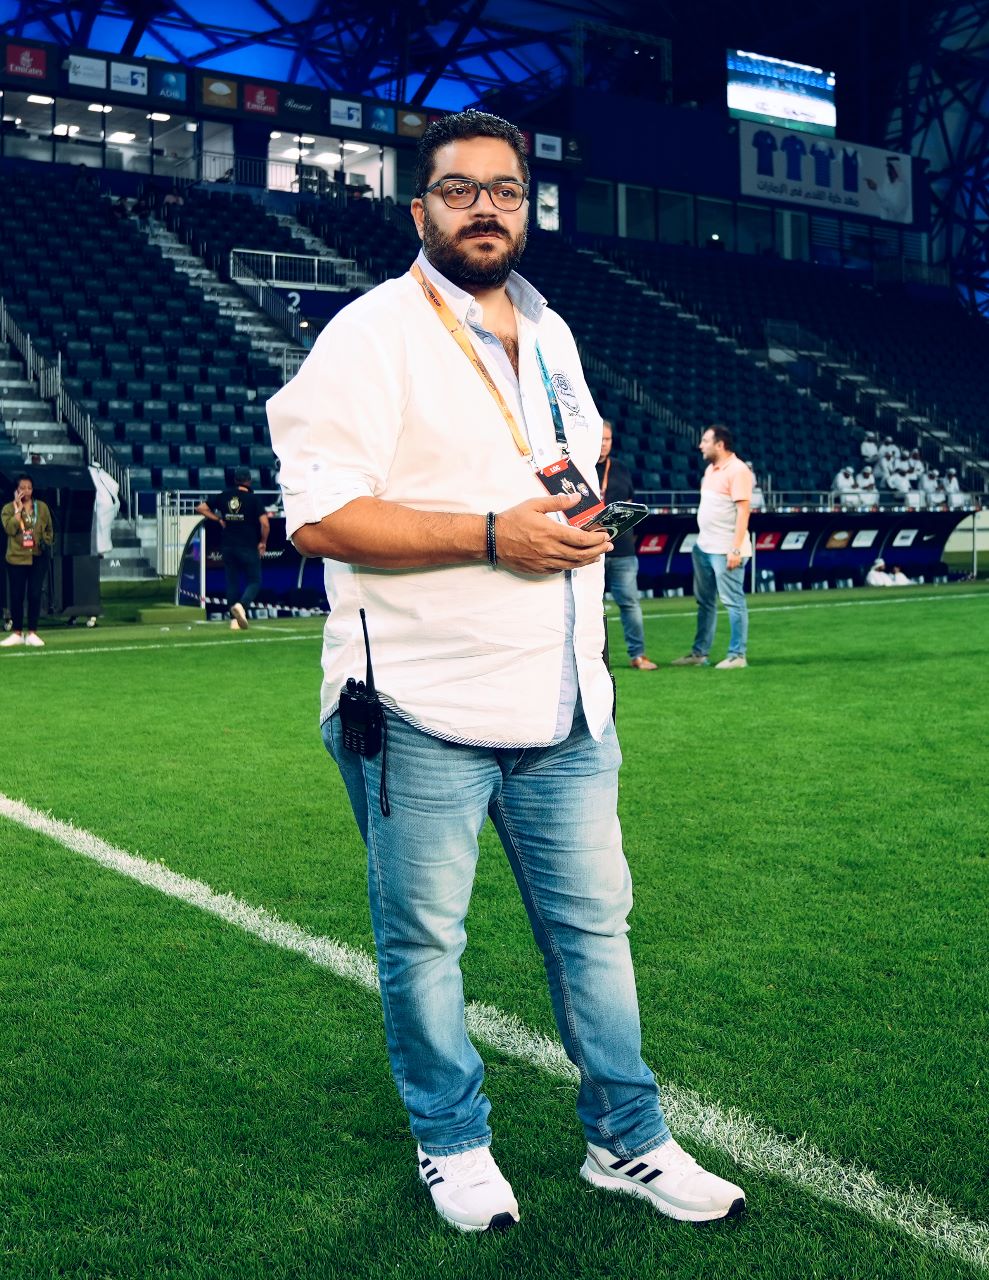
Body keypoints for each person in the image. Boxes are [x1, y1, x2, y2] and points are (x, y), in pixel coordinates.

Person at [266, 109, 745, 1234]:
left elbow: (563, 468)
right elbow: (318, 516)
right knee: (426, 942)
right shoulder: (369, 334)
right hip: (420, 701)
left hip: (566, 698)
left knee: (595, 932)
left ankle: (626, 1139)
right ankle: (452, 1140)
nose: (484, 207)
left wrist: (579, 515)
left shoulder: (552, 331)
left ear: (526, 206)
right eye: (459, 189)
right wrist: (492, 535)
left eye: (505, 190)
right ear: (419, 208)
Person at [670, 425, 751, 670]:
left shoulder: (738, 470)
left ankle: (737, 655)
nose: (700, 445)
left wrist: (735, 549)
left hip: (726, 550)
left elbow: (743, 512)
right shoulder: (710, 469)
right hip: (703, 547)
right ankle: (700, 654)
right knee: (705, 603)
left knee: (733, 602)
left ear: (720, 444)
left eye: (705, 441)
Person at [596, 421, 656, 670]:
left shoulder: (620, 468)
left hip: (622, 550)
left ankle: (638, 655)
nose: (603, 444)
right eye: (599, 439)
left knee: (630, 603)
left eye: (607, 439)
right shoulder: (577, 467)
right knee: (589, 606)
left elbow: (630, 502)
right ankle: (593, 659)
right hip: (590, 550)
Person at [195, 467, 269, 630]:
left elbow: (200, 508)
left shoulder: (224, 495)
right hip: (248, 546)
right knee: (255, 581)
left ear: (235, 481)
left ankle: (234, 621)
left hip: (228, 545)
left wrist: (218, 519)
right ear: (249, 481)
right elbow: (265, 524)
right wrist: (263, 542)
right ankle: (241, 606)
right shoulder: (253, 499)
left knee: (232, 582)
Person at [1, 474, 54, 648]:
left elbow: (49, 528)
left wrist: (46, 541)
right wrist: (18, 511)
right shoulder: (8, 509)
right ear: (16, 490)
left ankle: (32, 632)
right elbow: (10, 529)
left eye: (29, 488)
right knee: (17, 596)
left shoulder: (42, 507)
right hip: (17, 558)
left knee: (35, 594)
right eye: (22, 488)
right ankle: (17, 632)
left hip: (37, 556)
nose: (26, 491)